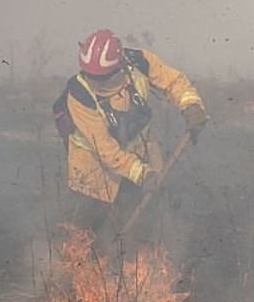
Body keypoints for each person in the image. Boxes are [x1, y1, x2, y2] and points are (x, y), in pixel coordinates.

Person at [53, 28, 208, 256]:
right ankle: (76, 271)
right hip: (93, 170)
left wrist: (192, 106)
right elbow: (107, 151)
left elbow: (174, 81)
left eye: (101, 76)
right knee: (81, 233)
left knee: (139, 230)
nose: (95, 81)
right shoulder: (79, 95)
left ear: (120, 65)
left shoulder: (140, 62)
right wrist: (144, 175)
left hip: (139, 155)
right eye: (90, 75)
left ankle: (131, 267)